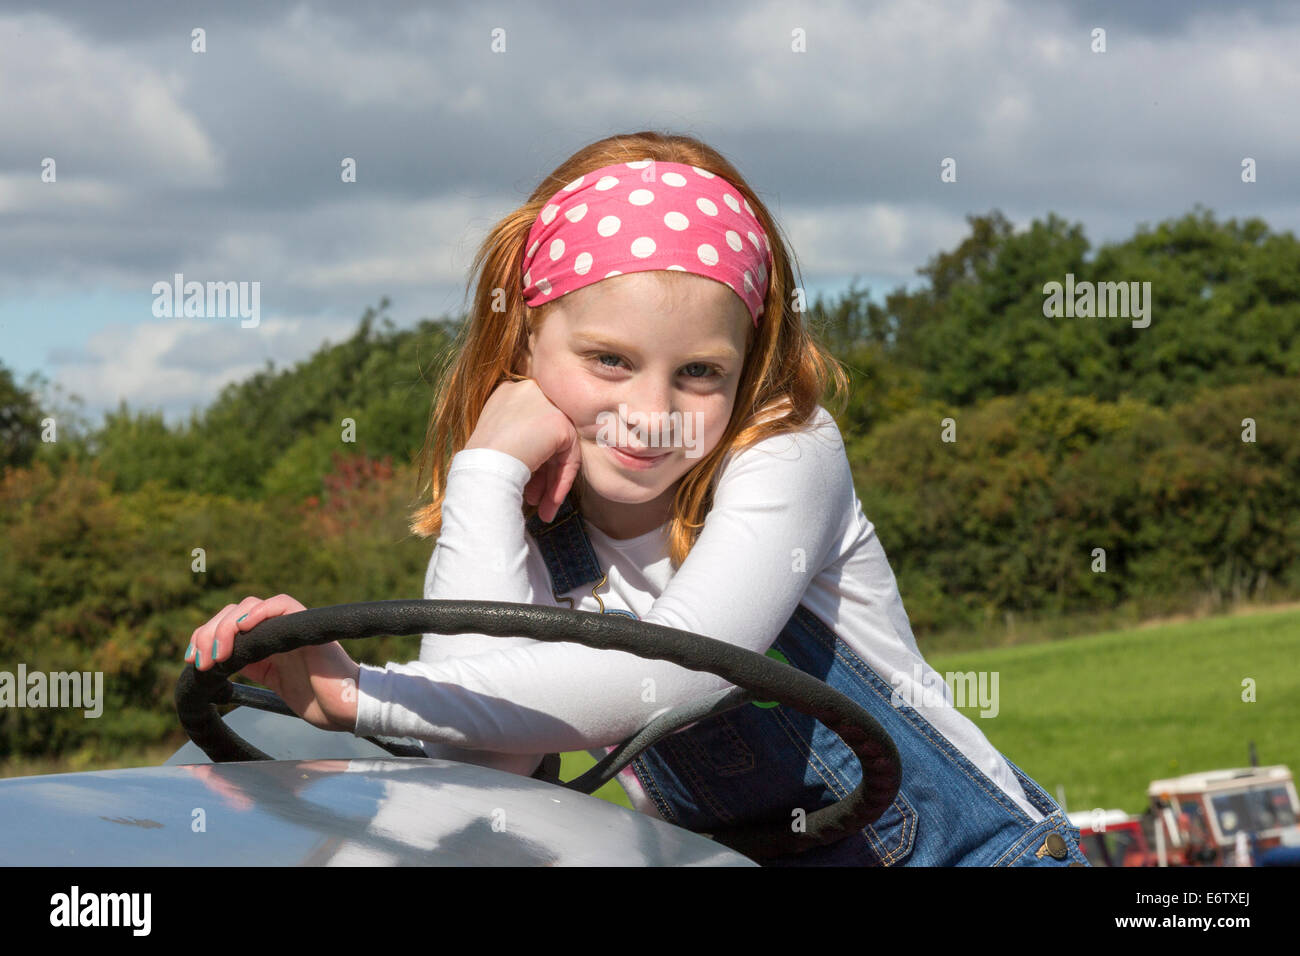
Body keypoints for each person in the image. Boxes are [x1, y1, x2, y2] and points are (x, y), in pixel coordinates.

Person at [185, 130, 1089, 866]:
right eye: (609, 361)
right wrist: (489, 472)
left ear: (750, 367)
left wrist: (357, 698)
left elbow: (674, 670)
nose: (651, 416)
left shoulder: (784, 454)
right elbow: (485, 757)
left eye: (700, 373)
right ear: (527, 338)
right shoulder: (536, 518)